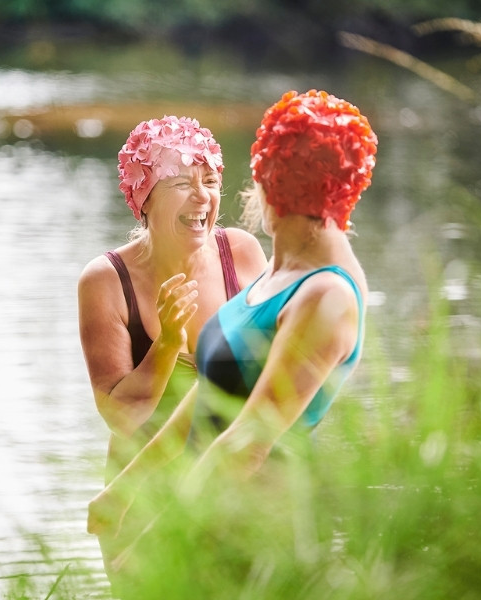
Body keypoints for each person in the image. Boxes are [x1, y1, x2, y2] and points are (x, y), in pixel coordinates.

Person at [86, 90, 378, 583]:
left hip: (247, 529)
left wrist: (158, 532)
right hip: (198, 508)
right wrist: (127, 488)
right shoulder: (277, 272)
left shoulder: (325, 293)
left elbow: (248, 441)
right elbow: (214, 388)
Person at [77, 115, 268, 578]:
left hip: (238, 485)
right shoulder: (105, 281)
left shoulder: (240, 254)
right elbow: (121, 417)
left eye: (210, 180)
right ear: (145, 197)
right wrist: (167, 344)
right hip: (142, 496)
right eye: (182, 183)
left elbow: (270, 383)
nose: (202, 196)